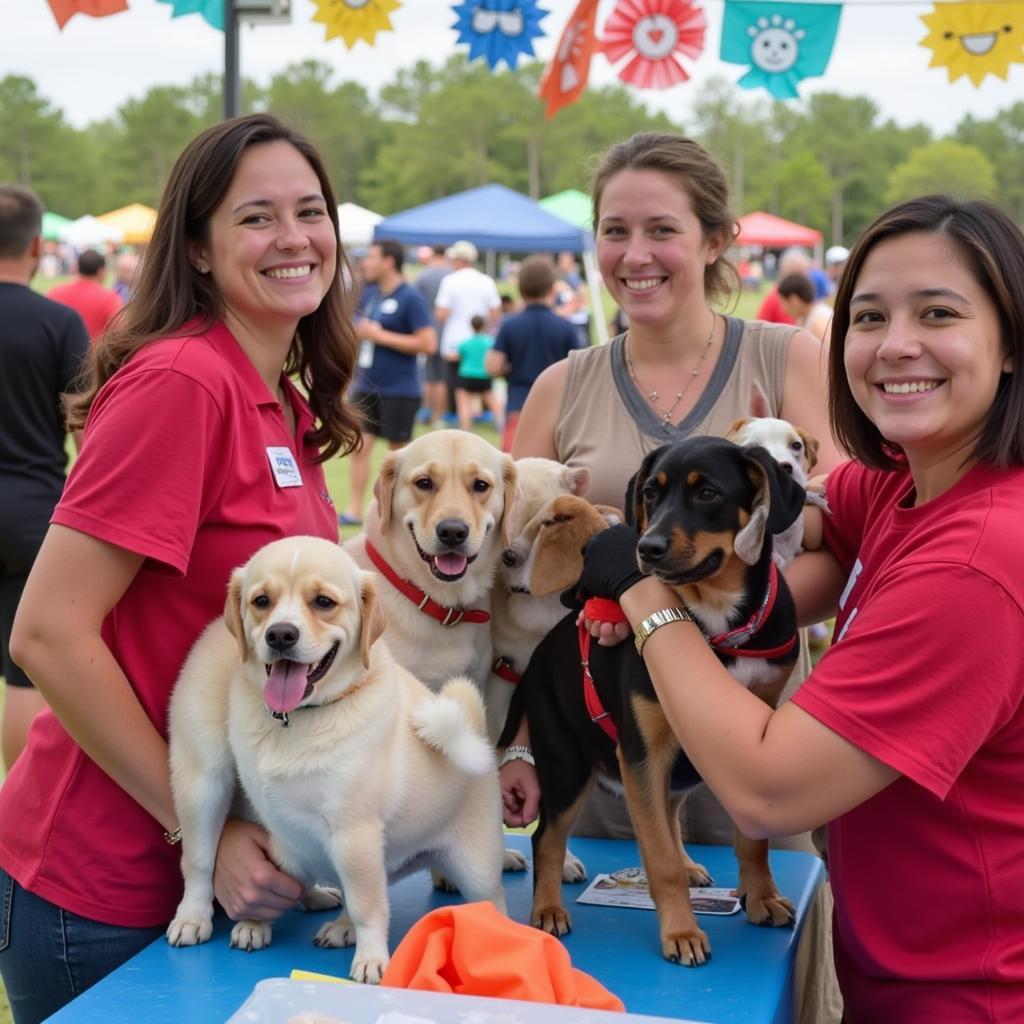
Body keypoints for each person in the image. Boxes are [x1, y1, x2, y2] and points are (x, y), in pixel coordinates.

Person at [569, 193, 1024, 1021]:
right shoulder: (903, 485)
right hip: (905, 970)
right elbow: (803, 531)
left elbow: (765, 793)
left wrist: (643, 593)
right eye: (870, 315)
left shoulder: (976, 565)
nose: (896, 346)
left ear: (1011, 346)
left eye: (939, 314)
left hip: (972, 993)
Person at [0, 113, 361, 1024]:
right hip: (108, 888)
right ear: (196, 249)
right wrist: (195, 832)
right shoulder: (182, 384)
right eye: (256, 218)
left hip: (239, 881)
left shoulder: (278, 399)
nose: (293, 239)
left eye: (310, 212)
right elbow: (47, 633)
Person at [505, 131, 844, 1024]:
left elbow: (839, 553)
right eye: (614, 231)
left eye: (661, 229)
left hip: (764, 755)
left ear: (716, 239)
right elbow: (515, 590)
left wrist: (702, 622)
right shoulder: (560, 388)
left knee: (761, 990)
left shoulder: (787, 360)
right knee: (612, 994)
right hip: (618, 768)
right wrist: (515, 743)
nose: (635, 255)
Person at [0, 184, 89, 771]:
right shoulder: (59, 322)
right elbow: (90, 437)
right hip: (32, 515)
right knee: (23, 670)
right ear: (37, 243)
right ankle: (16, 801)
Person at [341, 237, 436, 526]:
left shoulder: (411, 297)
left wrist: (381, 336)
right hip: (366, 386)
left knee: (399, 460)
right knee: (359, 446)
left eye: (371, 257)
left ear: (389, 261)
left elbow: (428, 343)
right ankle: (355, 509)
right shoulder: (369, 295)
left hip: (400, 390)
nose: (366, 263)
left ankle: (394, 513)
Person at [485, 254, 584, 453]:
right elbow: (581, 370)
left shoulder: (510, 325)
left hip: (519, 404)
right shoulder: (565, 327)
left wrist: (510, 368)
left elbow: (493, 366)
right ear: (551, 288)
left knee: (517, 467)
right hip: (559, 408)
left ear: (520, 289)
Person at [434, 240, 500, 427]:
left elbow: (441, 314)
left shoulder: (450, 281)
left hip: (455, 341)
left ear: (460, 260)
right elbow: (495, 314)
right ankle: (496, 420)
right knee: (487, 387)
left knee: (457, 387)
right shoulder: (486, 281)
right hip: (481, 342)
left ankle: (454, 418)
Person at [47, 248, 123, 340]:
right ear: (101, 271)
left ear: (77, 268)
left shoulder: (54, 293)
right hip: (95, 353)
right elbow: (120, 332)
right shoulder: (110, 299)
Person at [413, 244, 451, 426]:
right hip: (447, 333)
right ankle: (439, 417)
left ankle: (424, 412)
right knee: (442, 378)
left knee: (428, 376)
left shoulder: (424, 275)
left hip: (426, 330)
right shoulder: (452, 275)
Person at [756, 246, 828, 326]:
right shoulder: (777, 296)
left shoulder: (815, 314)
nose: (802, 281)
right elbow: (759, 329)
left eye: (803, 274)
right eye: (796, 275)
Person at [454, 313, 502, 432]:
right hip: (484, 375)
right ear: (484, 326)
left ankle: (465, 428)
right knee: (494, 404)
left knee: (464, 404)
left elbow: (459, 356)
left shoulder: (465, 343)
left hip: (466, 375)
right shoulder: (490, 342)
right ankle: (502, 425)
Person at [777, 272, 834, 343]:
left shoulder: (819, 323)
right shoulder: (805, 317)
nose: (783, 310)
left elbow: (831, 353)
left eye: (783, 303)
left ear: (794, 300)